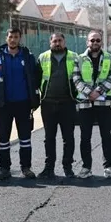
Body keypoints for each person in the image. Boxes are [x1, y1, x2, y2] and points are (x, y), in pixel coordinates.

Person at [0, 28, 39, 180]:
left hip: (23, 103)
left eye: (16, 37)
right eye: (10, 37)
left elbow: (34, 78)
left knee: (25, 138)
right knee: (3, 139)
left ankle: (26, 168)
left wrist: (35, 98)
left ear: (20, 38)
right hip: (4, 104)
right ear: (6, 38)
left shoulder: (28, 56)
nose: (13, 40)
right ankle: (4, 169)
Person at [72, 31, 111, 179]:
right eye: (92, 40)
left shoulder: (110, 58)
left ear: (101, 42)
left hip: (103, 102)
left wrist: (98, 91)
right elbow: (76, 78)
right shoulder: (79, 59)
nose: (95, 43)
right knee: (85, 137)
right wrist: (88, 93)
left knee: (106, 136)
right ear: (87, 42)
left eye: (98, 40)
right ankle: (86, 167)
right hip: (85, 103)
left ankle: (108, 167)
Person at [36, 33, 78, 179]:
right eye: (55, 41)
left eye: (60, 41)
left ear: (64, 42)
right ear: (50, 43)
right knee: (49, 137)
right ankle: (49, 168)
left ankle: (68, 167)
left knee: (68, 137)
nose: (57, 43)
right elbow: (36, 79)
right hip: (48, 103)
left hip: (68, 103)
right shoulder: (43, 57)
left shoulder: (74, 57)